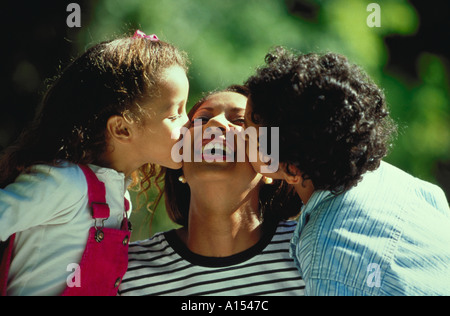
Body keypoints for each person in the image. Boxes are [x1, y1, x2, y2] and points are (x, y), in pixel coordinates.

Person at [243, 47, 450, 296]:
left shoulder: (328, 255)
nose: (237, 135)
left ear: (292, 170)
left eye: (247, 128)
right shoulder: (398, 182)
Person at [0, 30, 190, 296]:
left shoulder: (120, 197)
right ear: (122, 129)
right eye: (175, 113)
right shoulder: (67, 183)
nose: (188, 123)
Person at [119, 86, 306, 296]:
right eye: (201, 120)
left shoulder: (310, 247)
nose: (215, 124)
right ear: (179, 161)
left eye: (240, 121)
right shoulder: (125, 272)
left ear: (268, 164)